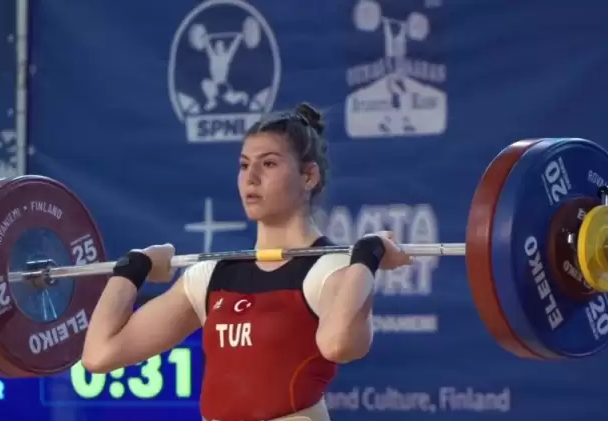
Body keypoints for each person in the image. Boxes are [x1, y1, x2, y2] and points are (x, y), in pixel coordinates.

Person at [82, 103, 413, 421]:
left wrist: (367, 257)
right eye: (243, 165)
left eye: (268, 164)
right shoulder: (210, 276)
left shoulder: (330, 270)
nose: (251, 178)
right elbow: (99, 354)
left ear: (309, 176)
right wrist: (133, 269)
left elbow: (339, 344)